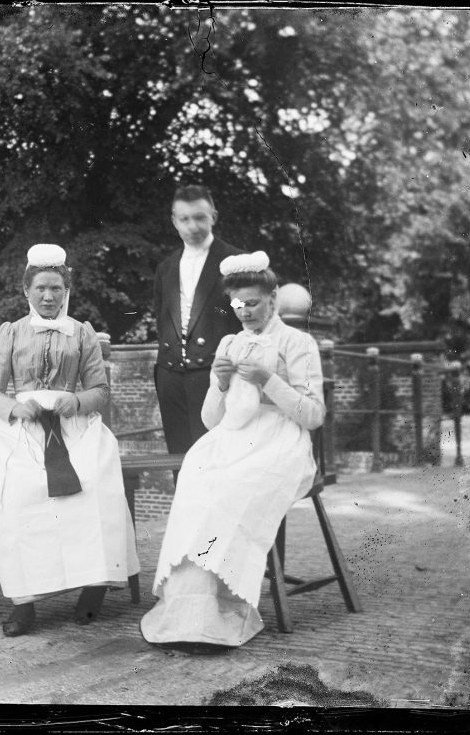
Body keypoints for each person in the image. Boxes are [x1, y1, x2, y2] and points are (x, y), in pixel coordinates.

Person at [140, 251, 326, 648]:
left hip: (282, 442)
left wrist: (269, 381)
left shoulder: (298, 342)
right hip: (232, 438)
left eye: (253, 303)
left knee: (228, 493)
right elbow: (211, 420)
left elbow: (313, 416)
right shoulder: (230, 342)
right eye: (237, 304)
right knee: (196, 483)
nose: (244, 312)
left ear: (273, 298)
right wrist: (220, 384)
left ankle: (227, 600)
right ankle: (194, 608)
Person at [0, 244, 141, 637]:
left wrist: (77, 400)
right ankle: (24, 603)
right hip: (24, 428)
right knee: (17, 496)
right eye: (40, 289)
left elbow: (100, 391)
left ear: (67, 291)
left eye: (56, 289)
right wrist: (15, 409)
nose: (49, 297)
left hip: (74, 426)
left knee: (94, 490)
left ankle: (94, 586)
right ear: (26, 291)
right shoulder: (11, 332)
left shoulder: (82, 333)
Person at [153, 184, 244, 464]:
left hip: (215, 375)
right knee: (180, 462)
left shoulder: (235, 263)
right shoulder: (166, 268)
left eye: (200, 217)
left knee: (217, 461)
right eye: (184, 219)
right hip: (170, 375)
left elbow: (245, 319)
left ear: (213, 216)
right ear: (174, 221)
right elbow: (161, 318)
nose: (192, 226)